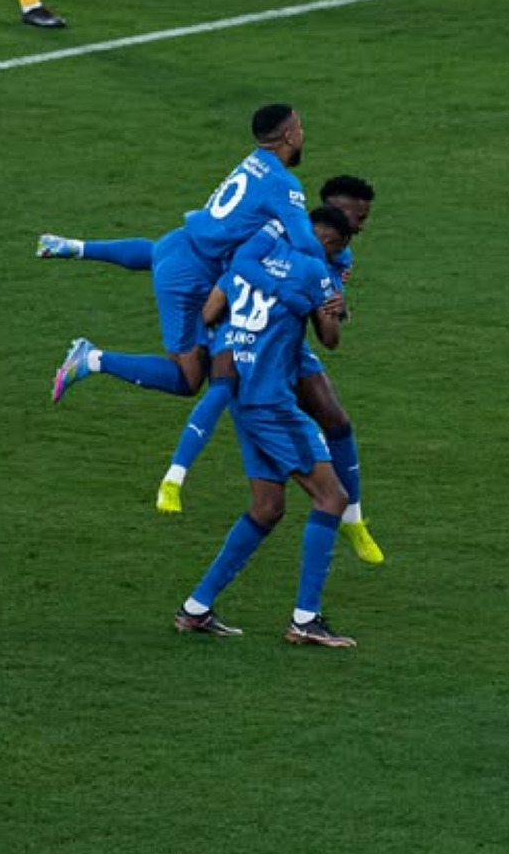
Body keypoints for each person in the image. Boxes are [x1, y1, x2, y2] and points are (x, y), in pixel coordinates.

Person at [37, 175, 384, 564]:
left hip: (284, 340)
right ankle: (170, 473)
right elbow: (236, 269)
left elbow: (328, 310)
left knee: (336, 420)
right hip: (236, 327)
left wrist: (337, 309)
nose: (361, 225)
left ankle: (352, 520)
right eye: (357, 216)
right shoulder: (274, 228)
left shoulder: (340, 254)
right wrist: (229, 310)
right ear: (331, 210)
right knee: (197, 383)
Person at [51, 104, 324, 403]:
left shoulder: (255, 160)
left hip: (179, 244)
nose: (303, 133)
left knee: (158, 256)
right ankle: (90, 358)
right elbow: (306, 243)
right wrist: (332, 267)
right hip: (187, 278)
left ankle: (75, 247)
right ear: (288, 136)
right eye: (299, 127)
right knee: (187, 378)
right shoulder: (283, 184)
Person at [174, 206, 357, 648]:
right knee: (332, 497)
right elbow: (330, 340)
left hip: (239, 392)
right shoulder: (314, 269)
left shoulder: (253, 254)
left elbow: (211, 309)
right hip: (273, 403)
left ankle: (195, 609)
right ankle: (305, 620)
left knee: (267, 506)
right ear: (329, 242)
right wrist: (335, 305)